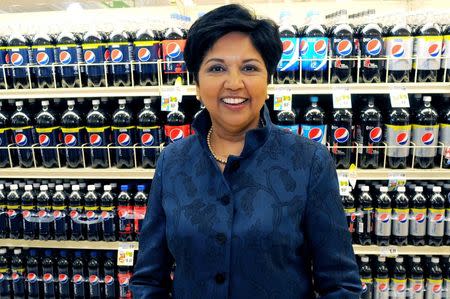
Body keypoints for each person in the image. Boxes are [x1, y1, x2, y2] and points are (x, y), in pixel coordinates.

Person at [130, 4, 362, 298]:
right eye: (216, 68)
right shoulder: (173, 161)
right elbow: (149, 279)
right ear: (197, 85)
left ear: (268, 80)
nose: (234, 83)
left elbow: (341, 285)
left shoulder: (308, 161)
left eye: (249, 68)